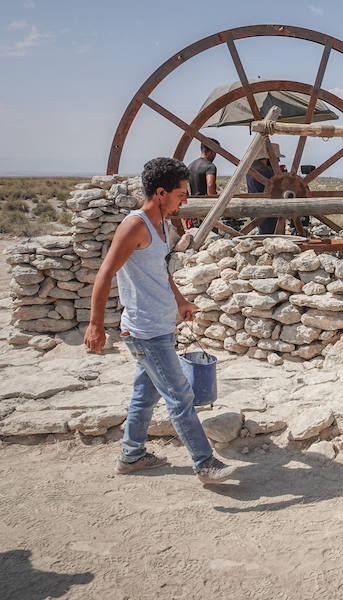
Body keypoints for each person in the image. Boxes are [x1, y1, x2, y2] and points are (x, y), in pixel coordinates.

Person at [84, 157, 237, 484]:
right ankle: (205, 463)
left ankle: (131, 455)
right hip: (144, 330)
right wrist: (95, 325)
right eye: (181, 193)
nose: (186, 198)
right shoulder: (135, 225)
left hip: (161, 324)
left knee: (145, 394)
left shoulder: (163, 227)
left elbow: (160, 272)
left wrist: (180, 302)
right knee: (180, 396)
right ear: (161, 192)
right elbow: (105, 273)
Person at [246, 143, 283, 235]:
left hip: (255, 209)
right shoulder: (267, 173)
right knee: (271, 236)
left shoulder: (251, 171)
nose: (278, 160)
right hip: (269, 211)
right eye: (276, 158)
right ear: (267, 158)